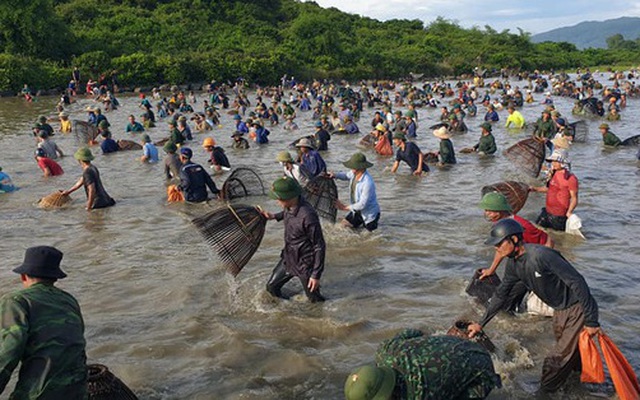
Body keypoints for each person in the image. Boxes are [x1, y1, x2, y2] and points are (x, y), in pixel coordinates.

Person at [467, 219, 602, 393]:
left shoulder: (541, 255)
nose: (496, 248)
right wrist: (481, 323)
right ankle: (578, 388)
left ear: (514, 240)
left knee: (555, 360)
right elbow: (501, 295)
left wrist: (592, 320)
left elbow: (577, 281)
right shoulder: (514, 265)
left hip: (577, 308)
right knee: (572, 356)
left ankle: (543, 394)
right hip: (559, 311)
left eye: (499, 244)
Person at [0, 246, 87, 399]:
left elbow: (11, 349)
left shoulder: (17, 301)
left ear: (24, 276)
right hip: (77, 391)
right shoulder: (69, 300)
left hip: (40, 394)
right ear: (54, 277)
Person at [344, 329, 501, 400]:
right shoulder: (385, 350)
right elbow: (414, 332)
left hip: (481, 369)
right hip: (455, 343)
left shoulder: (420, 394)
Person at [260, 177, 326, 303]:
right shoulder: (290, 205)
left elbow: (319, 245)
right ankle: (290, 308)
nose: (277, 202)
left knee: (315, 300)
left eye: (279, 199)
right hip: (289, 257)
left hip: (305, 263)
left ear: (289, 198)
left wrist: (315, 275)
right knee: (271, 287)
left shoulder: (308, 216)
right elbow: (286, 212)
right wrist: (273, 216)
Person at [331, 152, 381, 231]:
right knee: (342, 227)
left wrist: (344, 207)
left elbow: (362, 204)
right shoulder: (354, 174)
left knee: (368, 237)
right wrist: (335, 175)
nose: (351, 168)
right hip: (357, 211)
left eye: (352, 166)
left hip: (369, 215)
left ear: (359, 168)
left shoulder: (367, 183)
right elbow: (346, 175)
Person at [531, 152, 578, 231]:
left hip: (559, 216)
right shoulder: (553, 173)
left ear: (563, 163)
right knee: (536, 230)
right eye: (552, 161)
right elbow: (549, 189)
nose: (553, 163)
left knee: (558, 238)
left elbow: (574, 198)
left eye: (556, 161)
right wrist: (534, 189)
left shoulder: (571, 179)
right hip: (547, 211)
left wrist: (569, 212)